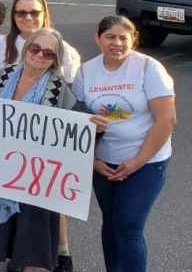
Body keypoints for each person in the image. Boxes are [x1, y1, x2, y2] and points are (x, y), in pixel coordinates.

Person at [0, 0, 80, 271]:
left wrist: (92, 124)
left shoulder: (60, 90)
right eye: (35, 49)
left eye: (49, 53)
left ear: (55, 59)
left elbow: (75, 129)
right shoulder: (2, 77)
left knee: (33, 252)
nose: (40, 56)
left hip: (37, 179)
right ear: (27, 50)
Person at [74, 16, 175, 272]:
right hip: (103, 163)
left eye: (123, 37)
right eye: (110, 36)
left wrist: (137, 162)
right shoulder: (85, 71)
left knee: (129, 225)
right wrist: (93, 161)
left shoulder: (148, 68)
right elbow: (76, 120)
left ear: (133, 40)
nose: (116, 43)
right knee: (111, 223)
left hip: (146, 162)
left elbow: (166, 119)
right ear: (98, 39)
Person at [0, 0, 80, 80]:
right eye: (21, 13)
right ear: (14, 16)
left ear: (44, 15)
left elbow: (69, 84)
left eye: (35, 13)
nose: (28, 18)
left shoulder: (64, 50)